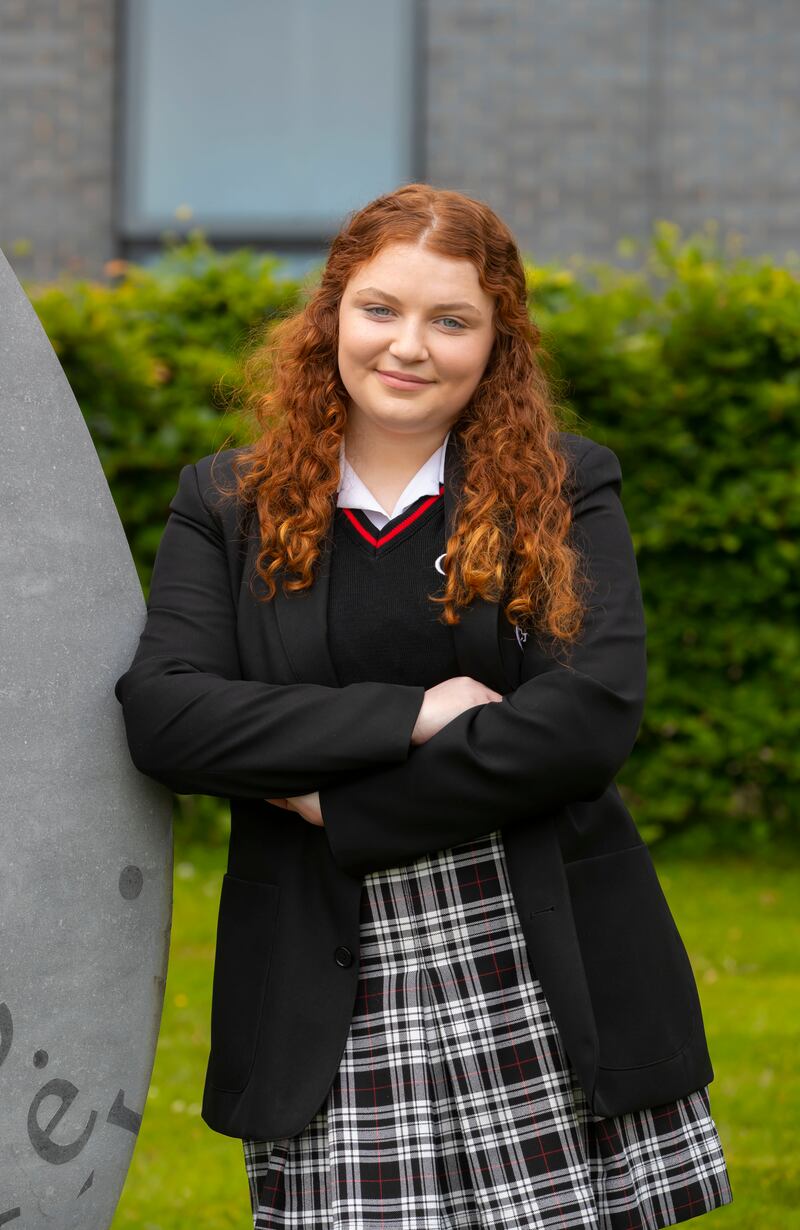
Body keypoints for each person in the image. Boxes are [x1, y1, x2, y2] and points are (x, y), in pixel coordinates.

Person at [114, 183, 734, 1228]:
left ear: (498, 344)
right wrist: (411, 712)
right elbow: (169, 717)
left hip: (535, 953)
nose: (409, 346)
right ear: (330, 317)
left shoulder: (563, 485)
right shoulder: (226, 503)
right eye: (380, 310)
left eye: (451, 320)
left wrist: (334, 806)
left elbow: (584, 719)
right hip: (327, 971)